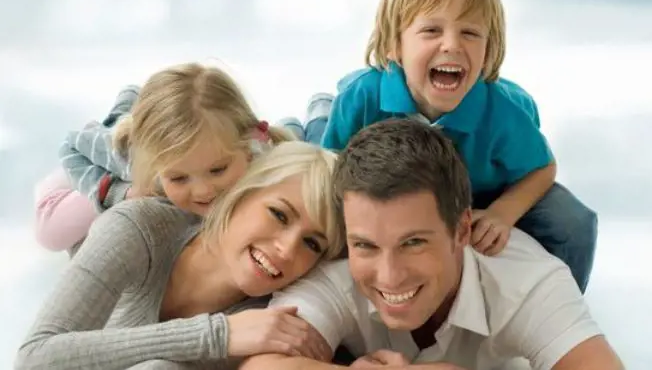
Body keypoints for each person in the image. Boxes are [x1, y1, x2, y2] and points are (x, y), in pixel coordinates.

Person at [241, 119, 623, 370]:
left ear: (461, 230)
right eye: (366, 246)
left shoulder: (530, 282)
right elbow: (262, 366)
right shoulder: (333, 269)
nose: (389, 276)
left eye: (413, 243)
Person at [319, 0, 597, 292]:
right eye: (431, 31)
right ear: (395, 45)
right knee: (312, 167)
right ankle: (316, 113)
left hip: (483, 189)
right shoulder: (362, 96)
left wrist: (502, 212)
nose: (452, 44)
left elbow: (542, 168)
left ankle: (562, 307)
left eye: (470, 33)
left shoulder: (501, 111)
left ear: (489, 48)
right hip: (399, 183)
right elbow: (331, 166)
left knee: (573, 221)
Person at [16, 141, 344, 370]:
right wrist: (219, 335)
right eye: (279, 215)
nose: (287, 249)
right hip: (100, 205)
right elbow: (34, 358)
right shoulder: (140, 228)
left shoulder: (274, 320)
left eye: (312, 244)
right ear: (241, 194)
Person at [32, 62, 299, 253]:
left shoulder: (262, 156)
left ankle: (130, 103)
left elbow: (295, 134)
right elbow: (70, 146)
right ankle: (127, 103)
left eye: (218, 170)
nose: (203, 190)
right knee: (51, 233)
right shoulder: (133, 159)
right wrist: (116, 193)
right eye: (179, 178)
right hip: (105, 158)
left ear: (246, 144)